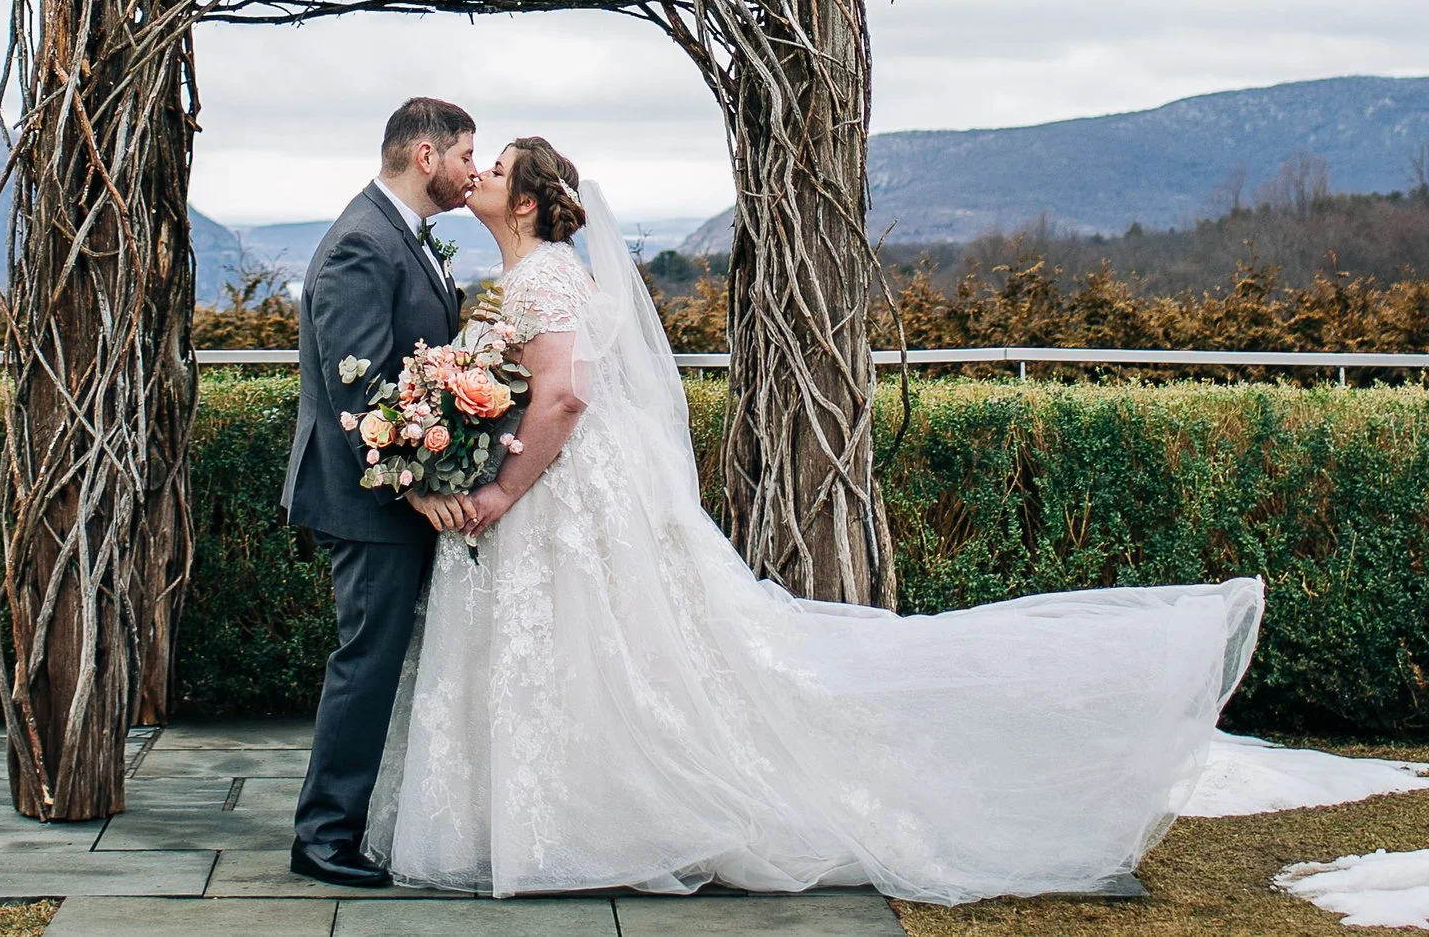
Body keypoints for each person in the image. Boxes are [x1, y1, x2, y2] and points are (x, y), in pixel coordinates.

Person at [365, 137, 1266, 904]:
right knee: (600, 653)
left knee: (608, 650)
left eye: (496, 169)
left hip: (560, 494)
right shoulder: (534, 273)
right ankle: (568, 810)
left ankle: (594, 815)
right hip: (570, 490)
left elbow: (561, 401)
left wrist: (493, 493)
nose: (475, 176)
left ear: (524, 204)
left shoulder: (542, 283)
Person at [281, 96, 479, 888]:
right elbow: (357, 394)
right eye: (467, 154)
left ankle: (367, 819)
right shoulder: (363, 245)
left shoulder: (401, 233)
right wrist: (418, 490)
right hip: (367, 503)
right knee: (366, 660)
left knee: (386, 659)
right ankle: (323, 836)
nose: (474, 169)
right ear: (425, 156)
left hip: (389, 494)